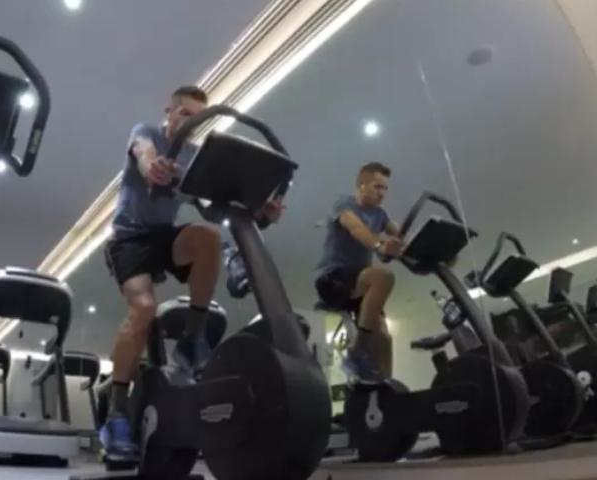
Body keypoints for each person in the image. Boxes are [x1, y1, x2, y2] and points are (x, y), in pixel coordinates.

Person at [101, 86, 283, 462]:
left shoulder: (197, 156)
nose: (189, 122)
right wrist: (152, 166)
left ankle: (191, 340)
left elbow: (213, 207)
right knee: (143, 309)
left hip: (163, 236)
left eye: (197, 118)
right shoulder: (147, 133)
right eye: (184, 113)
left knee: (208, 238)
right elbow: (143, 155)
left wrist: (260, 208)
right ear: (168, 111)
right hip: (128, 239)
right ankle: (117, 413)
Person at [315, 162, 402, 383]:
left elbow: (401, 236)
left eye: (385, 188)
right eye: (377, 187)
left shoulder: (381, 214)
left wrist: (429, 249)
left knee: (383, 336)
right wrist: (379, 246)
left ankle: (384, 385)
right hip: (333, 278)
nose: (382, 193)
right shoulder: (345, 204)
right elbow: (356, 228)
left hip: (360, 282)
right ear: (362, 186)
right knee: (383, 277)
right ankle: (357, 353)